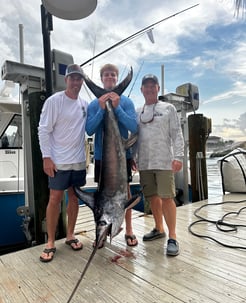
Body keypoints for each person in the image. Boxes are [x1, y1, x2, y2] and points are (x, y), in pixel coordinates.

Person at [38, 64, 88, 262]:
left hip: (78, 161)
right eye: (72, 78)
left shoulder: (85, 104)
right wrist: (46, 157)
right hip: (58, 161)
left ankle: (70, 235)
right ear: (66, 80)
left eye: (79, 79)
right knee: (54, 199)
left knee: (74, 198)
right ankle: (50, 242)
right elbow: (43, 130)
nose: (76, 82)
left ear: (82, 81)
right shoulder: (54, 101)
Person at [86, 63, 138, 247]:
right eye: (106, 75)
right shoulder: (94, 104)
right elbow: (89, 129)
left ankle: (129, 230)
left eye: (113, 75)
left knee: (126, 193)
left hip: (122, 157)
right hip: (102, 158)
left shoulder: (127, 102)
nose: (110, 78)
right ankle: (99, 235)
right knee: (103, 196)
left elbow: (134, 126)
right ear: (102, 79)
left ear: (116, 78)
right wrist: (102, 108)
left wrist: (116, 107)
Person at [134, 74, 184, 256]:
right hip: (144, 162)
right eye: (145, 86)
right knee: (152, 197)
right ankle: (158, 228)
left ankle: (173, 236)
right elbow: (134, 138)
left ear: (158, 88)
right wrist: (133, 156)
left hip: (164, 161)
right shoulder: (137, 111)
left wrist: (178, 157)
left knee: (167, 197)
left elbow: (177, 134)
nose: (149, 88)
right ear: (141, 89)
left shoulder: (168, 108)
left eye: (152, 85)